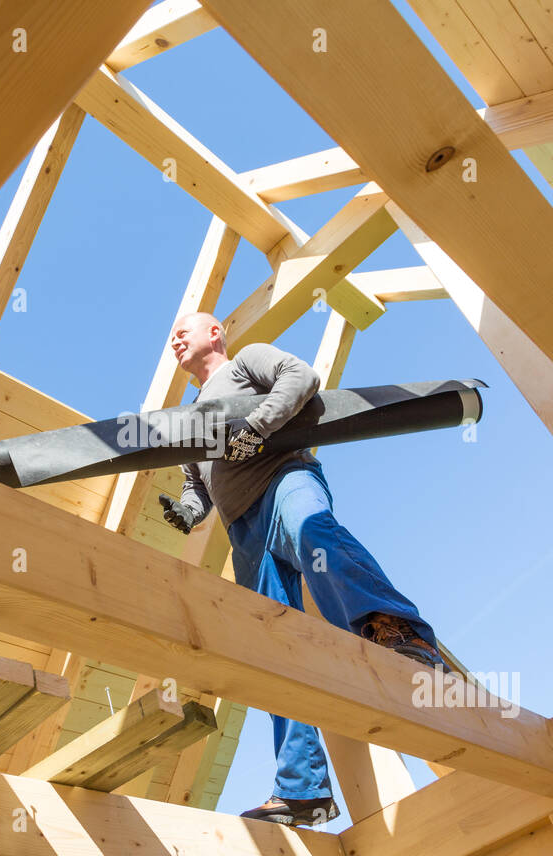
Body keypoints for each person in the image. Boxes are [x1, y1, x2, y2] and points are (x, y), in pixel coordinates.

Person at [157, 311, 448, 828]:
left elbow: (302, 377)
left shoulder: (247, 361)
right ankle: (301, 790)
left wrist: (256, 427)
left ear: (216, 332)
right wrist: (186, 511)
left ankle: (402, 636)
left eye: (186, 329)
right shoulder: (189, 418)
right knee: (272, 649)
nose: (176, 338)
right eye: (171, 336)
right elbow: (197, 487)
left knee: (314, 533)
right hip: (243, 532)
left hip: (283, 478)